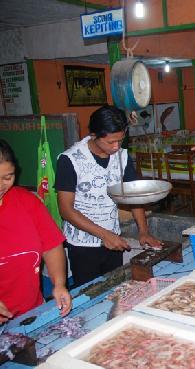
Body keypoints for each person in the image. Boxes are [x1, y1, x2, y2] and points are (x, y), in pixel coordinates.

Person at [55, 105, 162, 288]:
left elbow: (132, 196)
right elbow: (66, 210)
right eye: (111, 142)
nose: (116, 147)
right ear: (94, 135)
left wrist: (143, 231)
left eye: (120, 141)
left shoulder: (123, 157)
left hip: (114, 238)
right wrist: (104, 235)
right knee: (90, 292)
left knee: (115, 287)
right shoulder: (70, 160)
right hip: (83, 245)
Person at [0, 139, 72, 323]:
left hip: (32, 314)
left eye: (8, 177)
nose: (1, 185)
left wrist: (59, 283)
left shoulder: (26, 202)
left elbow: (51, 245)